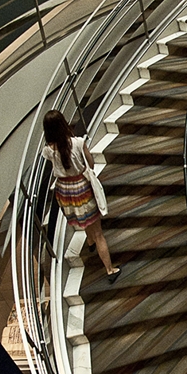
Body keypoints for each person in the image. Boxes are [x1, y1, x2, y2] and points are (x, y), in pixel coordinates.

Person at [41, 110, 121, 283]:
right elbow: (90, 164)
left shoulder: (48, 151)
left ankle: (90, 241)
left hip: (64, 191)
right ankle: (110, 270)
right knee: (98, 232)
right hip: (81, 188)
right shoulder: (77, 143)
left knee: (81, 218)